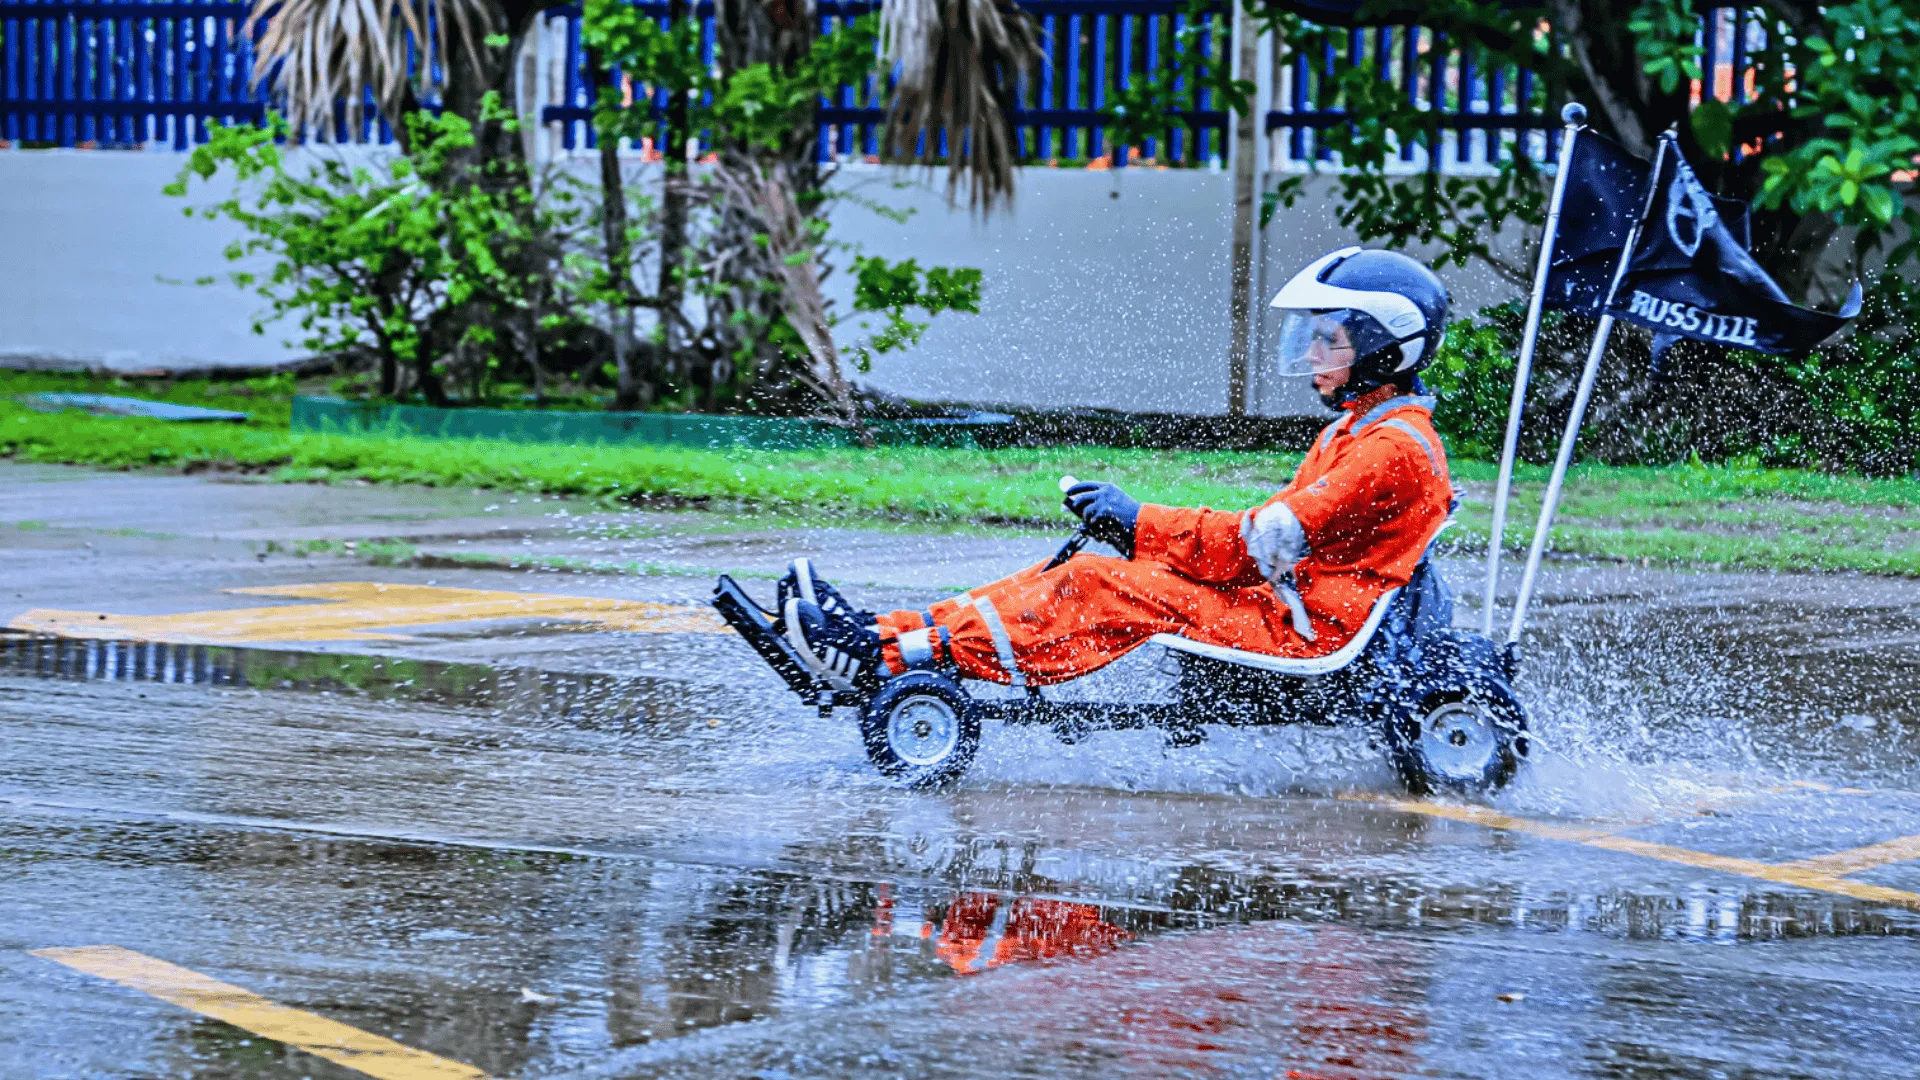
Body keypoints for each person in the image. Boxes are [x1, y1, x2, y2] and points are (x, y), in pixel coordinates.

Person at [779, 246, 1457, 695]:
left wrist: (1140, 522)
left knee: (1097, 584)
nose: (1312, 354)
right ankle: (884, 634)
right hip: (1292, 606)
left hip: (1302, 632)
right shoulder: (1363, 431)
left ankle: (887, 659)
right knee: (1066, 573)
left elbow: (1255, 547)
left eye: (1327, 339)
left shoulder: (1388, 449)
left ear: (1380, 349)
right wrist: (1143, 530)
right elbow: (1265, 546)